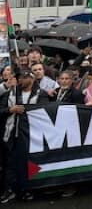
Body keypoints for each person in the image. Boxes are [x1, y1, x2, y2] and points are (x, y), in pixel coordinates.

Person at [0, 69, 49, 203]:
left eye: (23, 77)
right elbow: (1, 110)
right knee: (10, 164)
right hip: (10, 135)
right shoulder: (10, 93)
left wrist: (26, 110)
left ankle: (27, 190)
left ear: (31, 79)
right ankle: (9, 190)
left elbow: (44, 112)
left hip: (30, 136)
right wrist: (11, 110)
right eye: (19, 77)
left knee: (28, 163)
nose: (19, 80)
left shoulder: (41, 94)